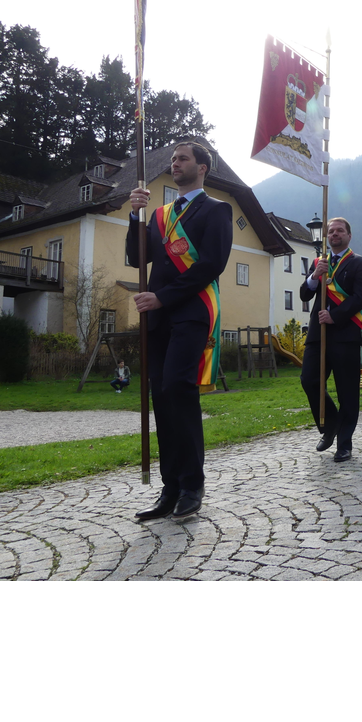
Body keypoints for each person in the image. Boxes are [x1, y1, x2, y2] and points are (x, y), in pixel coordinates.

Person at [127, 140, 233, 521]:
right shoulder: (159, 215)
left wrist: (163, 297)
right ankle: (169, 489)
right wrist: (134, 216)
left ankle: (193, 483)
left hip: (191, 312)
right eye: (173, 159)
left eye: (183, 158)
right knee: (160, 395)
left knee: (178, 388)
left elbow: (212, 265)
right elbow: (136, 257)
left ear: (202, 167)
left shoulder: (218, 210)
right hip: (159, 319)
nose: (175, 163)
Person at [300, 217, 362, 461]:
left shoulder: (360, 263)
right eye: (330, 231)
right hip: (317, 334)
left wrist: (335, 315)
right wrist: (314, 277)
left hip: (344, 334)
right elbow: (304, 293)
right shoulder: (319, 263)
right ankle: (330, 425)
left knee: (347, 391)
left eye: (339, 231)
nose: (334, 234)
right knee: (309, 381)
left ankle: (344, 443)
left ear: (349, 235)